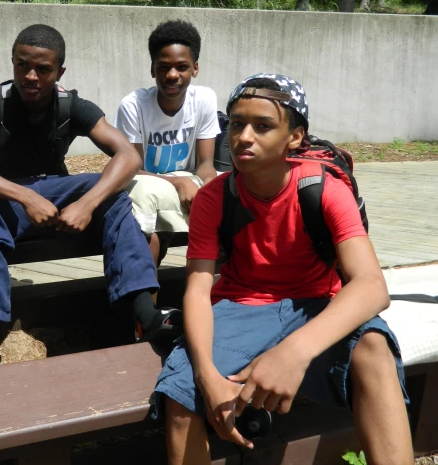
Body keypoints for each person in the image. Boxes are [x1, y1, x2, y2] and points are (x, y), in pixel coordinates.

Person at [156, 74, 413, 465]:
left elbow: (372, 287)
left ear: (295, 137)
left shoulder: (323, 188)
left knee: (373, 348)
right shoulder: (215, 196)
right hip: (240, 306)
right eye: (237, 123)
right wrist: (207, 376)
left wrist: (293, 352)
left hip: (314, 305)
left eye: (263, 126)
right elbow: (196, 288)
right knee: (180, 394)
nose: (244, 137)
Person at [0, 24, 180, 373]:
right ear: (12, 62)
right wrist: (23, 196)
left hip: (57, 194)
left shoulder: (71, 105)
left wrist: (87, 202)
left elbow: (128, 156)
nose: (31, 76)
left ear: (59, 71)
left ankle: (145, 315)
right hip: (5, 199)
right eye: (22, 65)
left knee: (112, 197)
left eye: (43, 69)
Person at [115, 20, 219, 266]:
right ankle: (145, 302)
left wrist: (211, 189)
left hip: (188, 183)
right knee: (146, 227)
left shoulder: (204, 99)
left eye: (181, 67)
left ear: (195, 69)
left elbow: (205, 164)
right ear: (153, 70)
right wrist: (177, 182)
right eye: (164, 68)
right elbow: (132, 169)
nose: (172, 75)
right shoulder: (133, 105)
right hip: (146, 182)